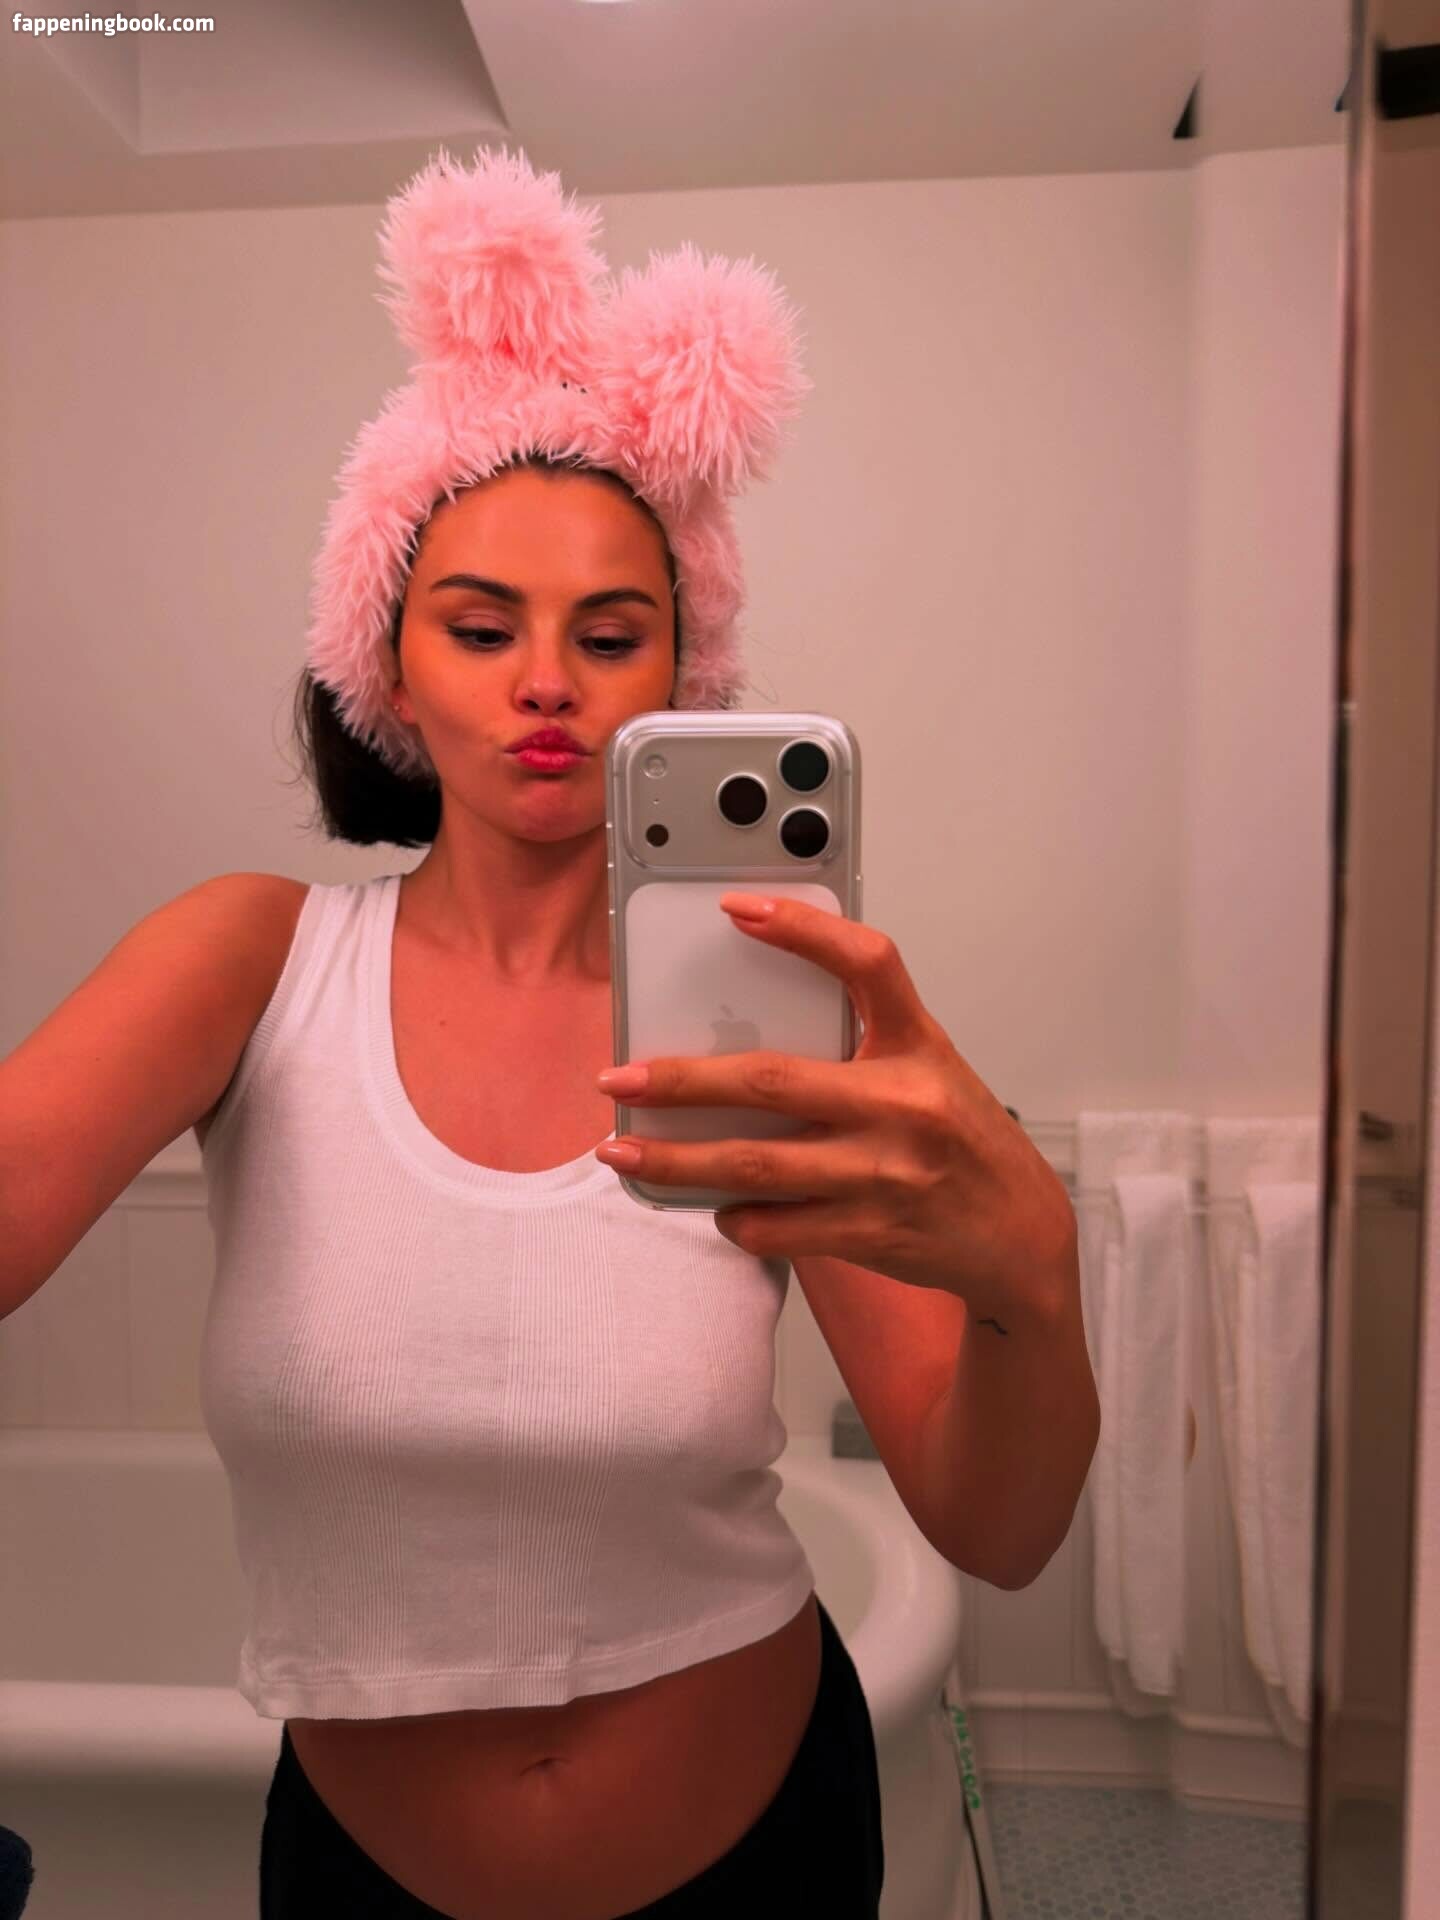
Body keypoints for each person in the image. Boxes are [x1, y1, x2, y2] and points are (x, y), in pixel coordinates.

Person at [197, 145, 889, 1917]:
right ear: (386, 664)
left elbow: (1006, 1518)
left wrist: (1026, 1258)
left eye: (612, 632)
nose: (547, 682)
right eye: (481, 623)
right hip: (357, 1871)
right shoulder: (251, 960)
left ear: (683, 677)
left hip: (769, 1841)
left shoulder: (779, 1001)